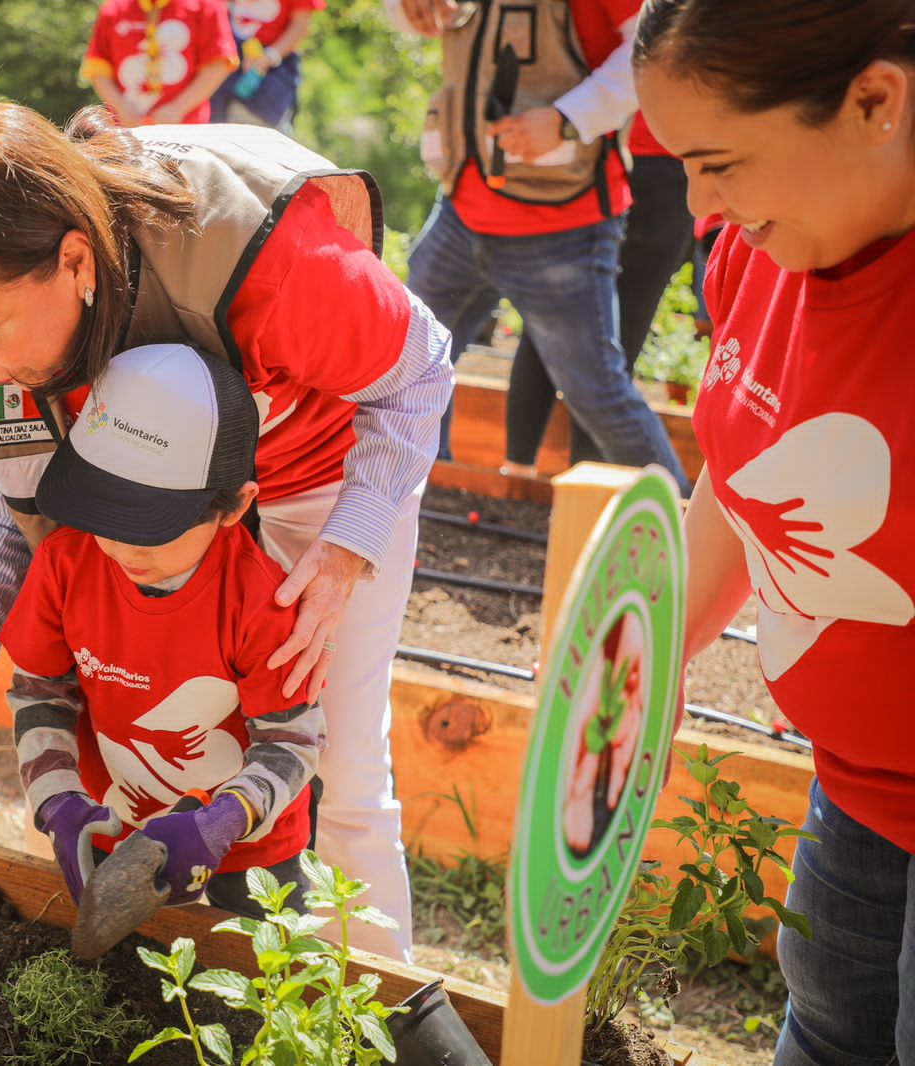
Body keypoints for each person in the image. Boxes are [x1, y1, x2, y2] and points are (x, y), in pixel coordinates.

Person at [0, 103, 454, 958]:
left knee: (341, 763)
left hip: (311, 481)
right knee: (118, 751)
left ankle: (371, 1013)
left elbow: (420, 366)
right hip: (116, 503)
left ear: (74, 260)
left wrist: (350, 545)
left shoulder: (257, 251)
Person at [634, 0, 915, 1061]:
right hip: (855, 787)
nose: (696, 201)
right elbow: (743, 475)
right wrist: (645, 679)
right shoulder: (763, 248)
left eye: (719, 161)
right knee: (828, 1029)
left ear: (873, 101)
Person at [3, 343, 325, 916]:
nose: (121, 547)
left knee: (258, 986)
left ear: (232, 507)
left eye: (149, 528)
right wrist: (57, 800)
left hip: (252, 851)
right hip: (115, 822)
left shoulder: (261, 600)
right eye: (104, 517)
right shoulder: (65, 564)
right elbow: (39, 692)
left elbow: (291, 742)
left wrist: (223, 822)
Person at [391, 0, 690, 496]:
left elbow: (658, 48)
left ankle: (681, 530)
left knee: (596, 394)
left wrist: (566, 118)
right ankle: (414, 500)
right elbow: (414, 21)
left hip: (564, 225)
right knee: (406, 362)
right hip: (461, 207)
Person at [501, 116, 695, 476]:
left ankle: (517, 473)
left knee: (550, 317)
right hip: (659, 163)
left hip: (595, 159)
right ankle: (583, 485)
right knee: (614, 344)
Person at [82, 0, 238, 127]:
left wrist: (177, 109)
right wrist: (120, 107)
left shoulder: (206, 5)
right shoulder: (113, 8)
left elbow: (218, 64)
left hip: (187, 130)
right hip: (125, 132)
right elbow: (98, 68)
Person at [209, 0, 323, 135]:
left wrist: (268, 58)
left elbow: (300, 25)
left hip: (271, 69)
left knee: (251, 134)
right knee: (210, 128)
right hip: (223, 59)